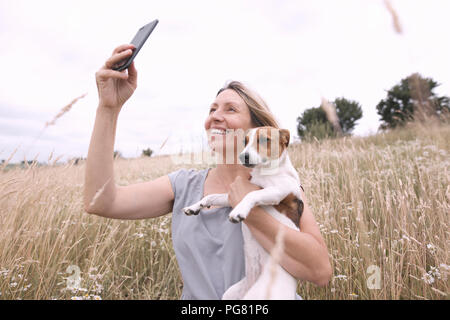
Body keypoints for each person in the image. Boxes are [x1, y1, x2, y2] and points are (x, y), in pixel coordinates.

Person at [84, 44, 332, 300]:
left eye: (230, 109)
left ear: (258, 129)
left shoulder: (282, 188)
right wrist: (108, 108)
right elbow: (99, 201)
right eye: (212, 109)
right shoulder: (183, 185)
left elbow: (320, 271)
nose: (215, 116)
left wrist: (250, 209)